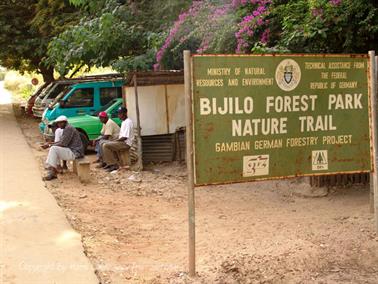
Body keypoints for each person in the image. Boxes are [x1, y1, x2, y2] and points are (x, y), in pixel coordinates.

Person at [41, 115, 84, 180]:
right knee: (54, 148)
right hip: (72, 150)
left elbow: (63, 144)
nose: (58, 125)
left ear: (63, 122)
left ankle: (52, 172)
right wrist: (50, 143)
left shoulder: (68, 128)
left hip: (76, 152)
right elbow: (61, 142)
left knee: (54, 149)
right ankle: (53, 169)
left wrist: (49, 145)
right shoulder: (67, 128)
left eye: (59, 123)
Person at [101, 107, 134, 172]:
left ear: (125, 113)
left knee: (106, 146)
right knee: (104, 143)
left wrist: (115, 141)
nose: (119, 115)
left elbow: (125, 137)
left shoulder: (128, 122)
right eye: (118, 114)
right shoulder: (123, 122)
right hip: (122, 142)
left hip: (126, 143)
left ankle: (113, 165)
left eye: (120, 114)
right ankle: (109, 162)